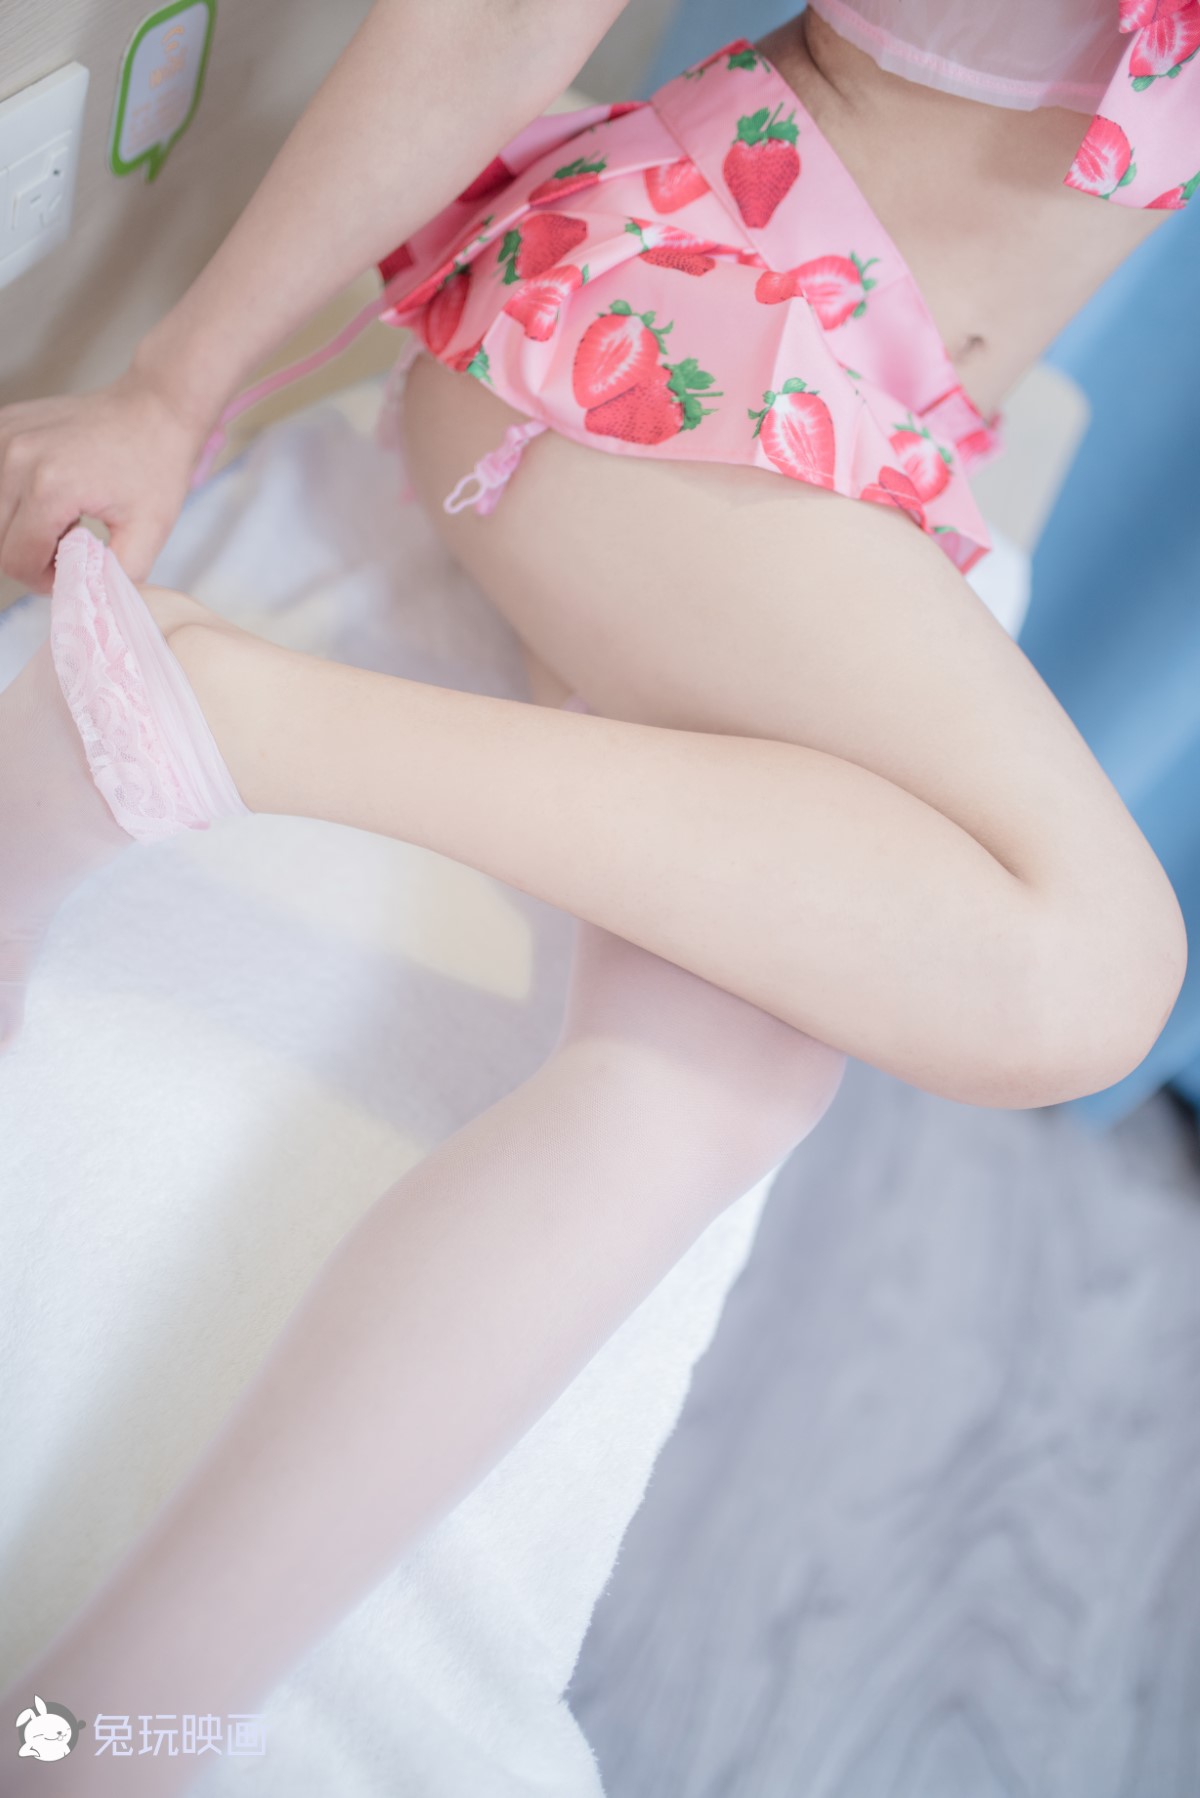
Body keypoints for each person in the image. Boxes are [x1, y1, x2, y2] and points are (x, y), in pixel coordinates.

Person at [0, 2, 1192, 1789]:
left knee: (711, 1078)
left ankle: (101, 1728)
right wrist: (174, 392)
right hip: (670, 337)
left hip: (851, 448)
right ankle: (211, 717)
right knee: (1088, 967)